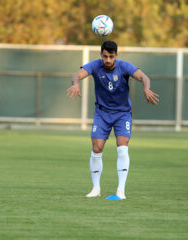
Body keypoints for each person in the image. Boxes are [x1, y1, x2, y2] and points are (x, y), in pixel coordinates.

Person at [67, 40, 159, 199]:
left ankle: (120, 191)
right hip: (102, 114)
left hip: (122, 114)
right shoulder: (95, 66)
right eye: (104, 56)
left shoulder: (124, 66)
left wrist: (146, 88)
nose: (107, 60)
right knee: (96, 149)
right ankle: (96, 189)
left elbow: (144, 77)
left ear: (116, 55)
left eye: (111, 56)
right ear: (101, 55)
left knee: (122, 147)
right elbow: (77, 75)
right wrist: (76, 83)